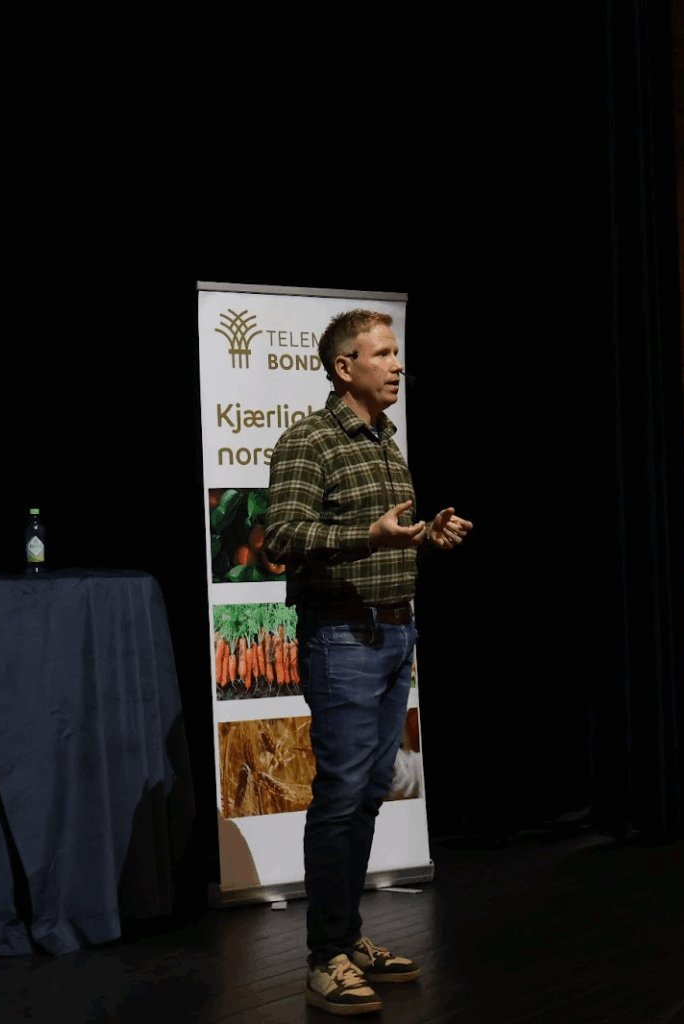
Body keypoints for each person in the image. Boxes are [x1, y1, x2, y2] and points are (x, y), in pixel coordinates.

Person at [265, 308, 472, 1016]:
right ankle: (324, 957)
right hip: (342, 638)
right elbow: (282, 535)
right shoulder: (308, 442)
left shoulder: (386, 439)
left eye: (396, 353)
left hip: (395, 634)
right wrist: (370, 534)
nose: (397, 365)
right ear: (343, 367)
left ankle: (348, 938)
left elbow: (387, 536)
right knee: (340, 796)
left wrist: (424, 536)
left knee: (366, 795)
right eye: (382, 354)